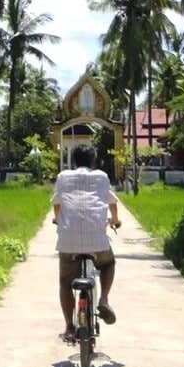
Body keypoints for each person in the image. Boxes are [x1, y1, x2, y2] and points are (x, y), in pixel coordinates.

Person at [51, 144, 121, 342]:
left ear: (73, 161)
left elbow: (57, 204)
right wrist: (115, 221)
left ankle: (69, 327)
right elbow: (112, 204)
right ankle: (104, 299)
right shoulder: (101, 176)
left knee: (65, 281)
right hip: (96, 239)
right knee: (107, 264)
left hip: (68, 241)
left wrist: (58, 220)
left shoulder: (63, 177)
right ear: (93, 161)